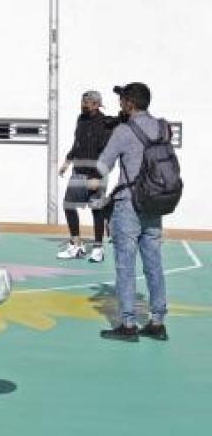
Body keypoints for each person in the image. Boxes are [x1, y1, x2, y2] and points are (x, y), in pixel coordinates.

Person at [92, 83, 170, 342]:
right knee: (154, 264)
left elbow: (104, 165)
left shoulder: (124, 130)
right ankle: (157, 322)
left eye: (122, 100)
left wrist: (94, 184)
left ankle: (128, 325)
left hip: (129, 203)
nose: (119, 104)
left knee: (125, 266)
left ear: (130, 104)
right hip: (156, 203)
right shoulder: (162, 127)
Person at [57, 90, 118, 263]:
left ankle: (98, 248)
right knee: (68, 205)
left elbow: (106, 153)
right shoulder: (81, 119)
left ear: (97, 104)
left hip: (96, 174)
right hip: (79, 172)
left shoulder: (105, 123)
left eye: (87, 102)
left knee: (96, 209)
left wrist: (97, 177)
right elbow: (77, 143)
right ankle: (76, 244)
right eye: (82, 101)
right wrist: (67, 161)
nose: (83, 104)